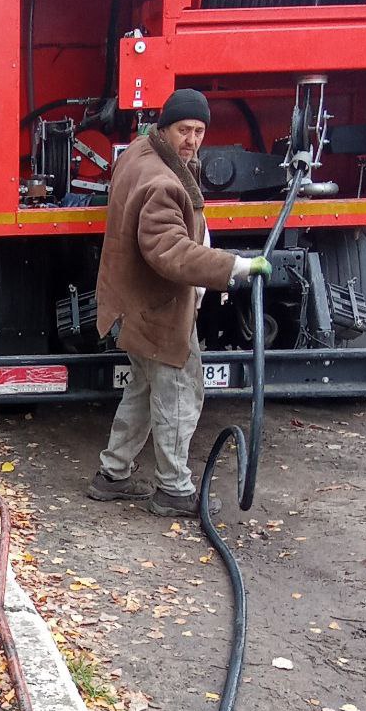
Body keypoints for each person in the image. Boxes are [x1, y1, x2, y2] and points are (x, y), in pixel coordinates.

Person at [88, 88, 270, 517]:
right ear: (165, 128)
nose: (192, 139)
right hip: (156, 309)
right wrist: (236, 267)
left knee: (143, 389)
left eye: (199, 131)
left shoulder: (139, 152)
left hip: (133, 303)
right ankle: (173, 489)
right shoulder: (162, 183)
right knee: (177, 393)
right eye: (184, 130)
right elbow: (168, 250)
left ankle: (111, 475)